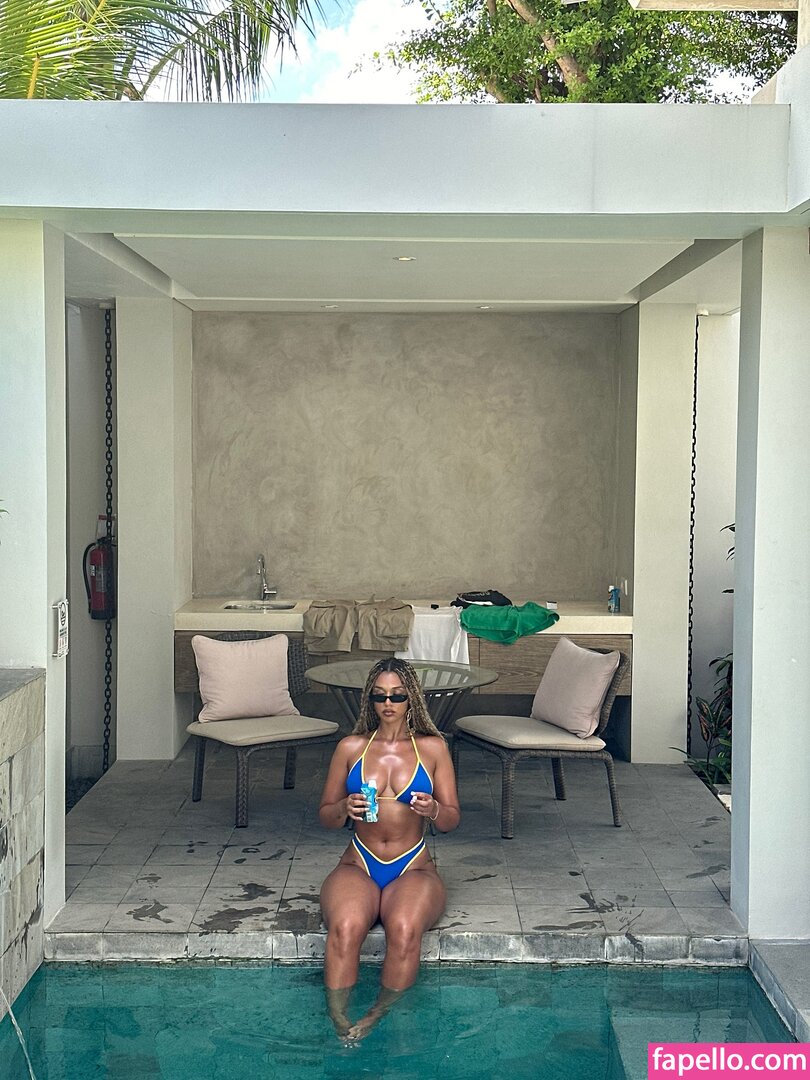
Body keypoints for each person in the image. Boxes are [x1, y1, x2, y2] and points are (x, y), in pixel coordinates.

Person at [319, 657, 460, 1041]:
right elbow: (326, 816)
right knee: (345, 927)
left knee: (404, 928)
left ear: (411, 698)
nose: (388, 703)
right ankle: (339, 1021)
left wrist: (434, 809)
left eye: (397, 695)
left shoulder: (433, 749)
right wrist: (343, 808)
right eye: (380, 696)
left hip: (412, 865)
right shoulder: (351, 747)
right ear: (370, 700)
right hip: (359, 863)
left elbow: (451, 819)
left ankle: (376, 1015)